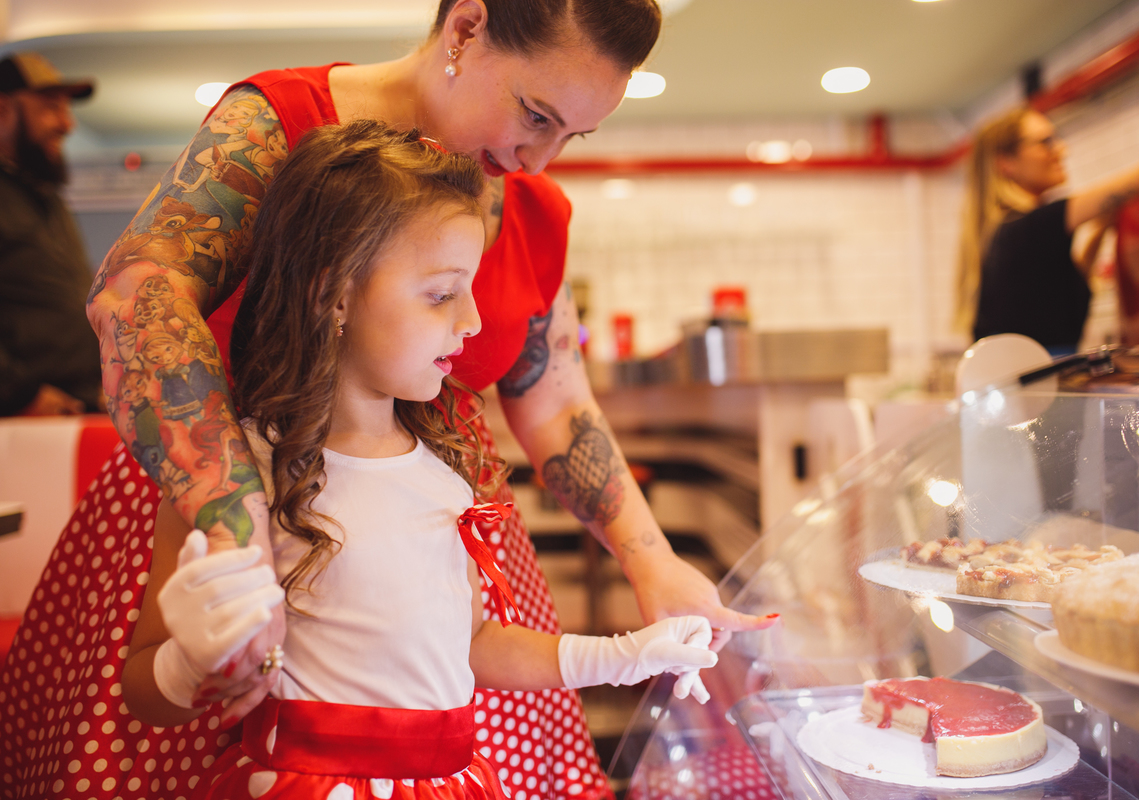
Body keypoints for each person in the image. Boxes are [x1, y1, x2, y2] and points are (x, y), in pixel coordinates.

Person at [1, 2, 776, 798]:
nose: (539, 158)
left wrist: (651, 562)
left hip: (425, 549)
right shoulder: (277, 125)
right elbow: (142, 292)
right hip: (222, 510)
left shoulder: (532, 212)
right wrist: (238, 529)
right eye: (535, 113)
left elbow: (555, 396)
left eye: (570, 136)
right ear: (467, 29)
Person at [122, 120, 719, 799]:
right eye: (441, 294)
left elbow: (477, 645)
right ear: (334, 294)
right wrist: (186, 661)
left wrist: (622, 657)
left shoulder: (447, 472)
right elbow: (143, 693)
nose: (470, 321)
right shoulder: (233, 475)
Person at [957, 105, 1139, 356]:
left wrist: (1100, 231)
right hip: (1028, 384)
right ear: (1006, 162)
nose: (1062, 149)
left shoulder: (1012, 233)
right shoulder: (1029, 226)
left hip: (1021, 380)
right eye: (1045, 142)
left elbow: (1058, 293)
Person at [0, 51, 102, 415]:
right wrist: (18, 395)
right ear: (3, 110)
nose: (67, 124)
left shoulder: (43, 195)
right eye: (49, 106)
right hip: (19, 420)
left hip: (71, 407)